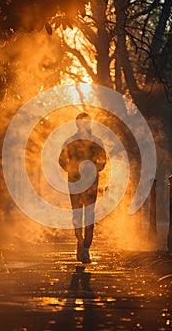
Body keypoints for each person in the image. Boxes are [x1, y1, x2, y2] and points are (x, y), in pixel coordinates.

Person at [59, 112, 107, 263]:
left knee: (85, 214)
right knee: (81, 214)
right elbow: (61, 159)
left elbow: (103, 160)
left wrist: (71, 169)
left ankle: (84, 246)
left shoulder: (78, 141)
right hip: (78, 180)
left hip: (83, 180)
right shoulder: (77, 141)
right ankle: (82, 244)